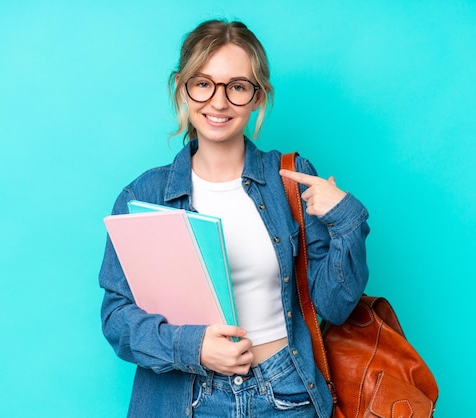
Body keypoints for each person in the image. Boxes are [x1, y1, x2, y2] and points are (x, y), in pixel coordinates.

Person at [99, 19, 370, 418]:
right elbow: (117, 319)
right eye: (203, 83)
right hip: (188, 398)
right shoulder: (143, 195)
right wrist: (193, 347)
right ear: (182, 88)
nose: (219, 102)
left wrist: (346, 219)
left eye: (237, 86)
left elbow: (335, 306)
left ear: (258, 97)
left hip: (286, 394)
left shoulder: (290, 181)